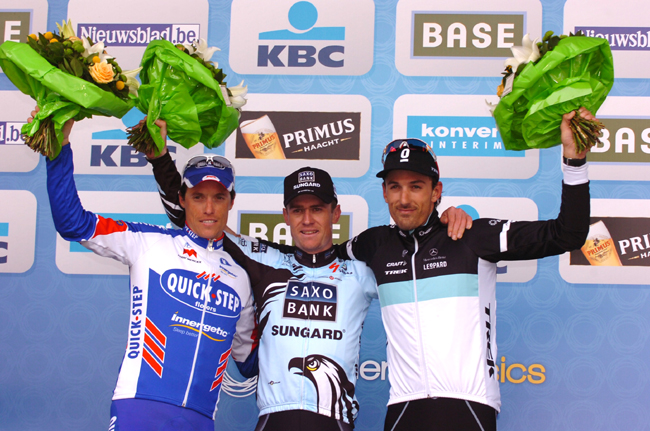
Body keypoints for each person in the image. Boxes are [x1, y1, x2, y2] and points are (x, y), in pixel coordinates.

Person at [338, 108, 593, 431]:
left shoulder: (473, 236)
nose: (404, 198)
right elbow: (314, 257)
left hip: (468, 408)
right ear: (385, 192)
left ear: (437, 192)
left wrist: (574, 162)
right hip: (402, 409)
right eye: (394, 186)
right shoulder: (373, 245)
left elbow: (567, 233)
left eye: (416, 186)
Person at [33, 109, 257, 431]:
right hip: (140, 407)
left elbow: (249, 362)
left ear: (231, 201)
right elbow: (73, 223)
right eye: (198, 197)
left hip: (200, 419)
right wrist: (59, 148)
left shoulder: (242, 275)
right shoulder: (148, 242)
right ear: (182, 199)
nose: (208, 208)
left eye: (218, 197)